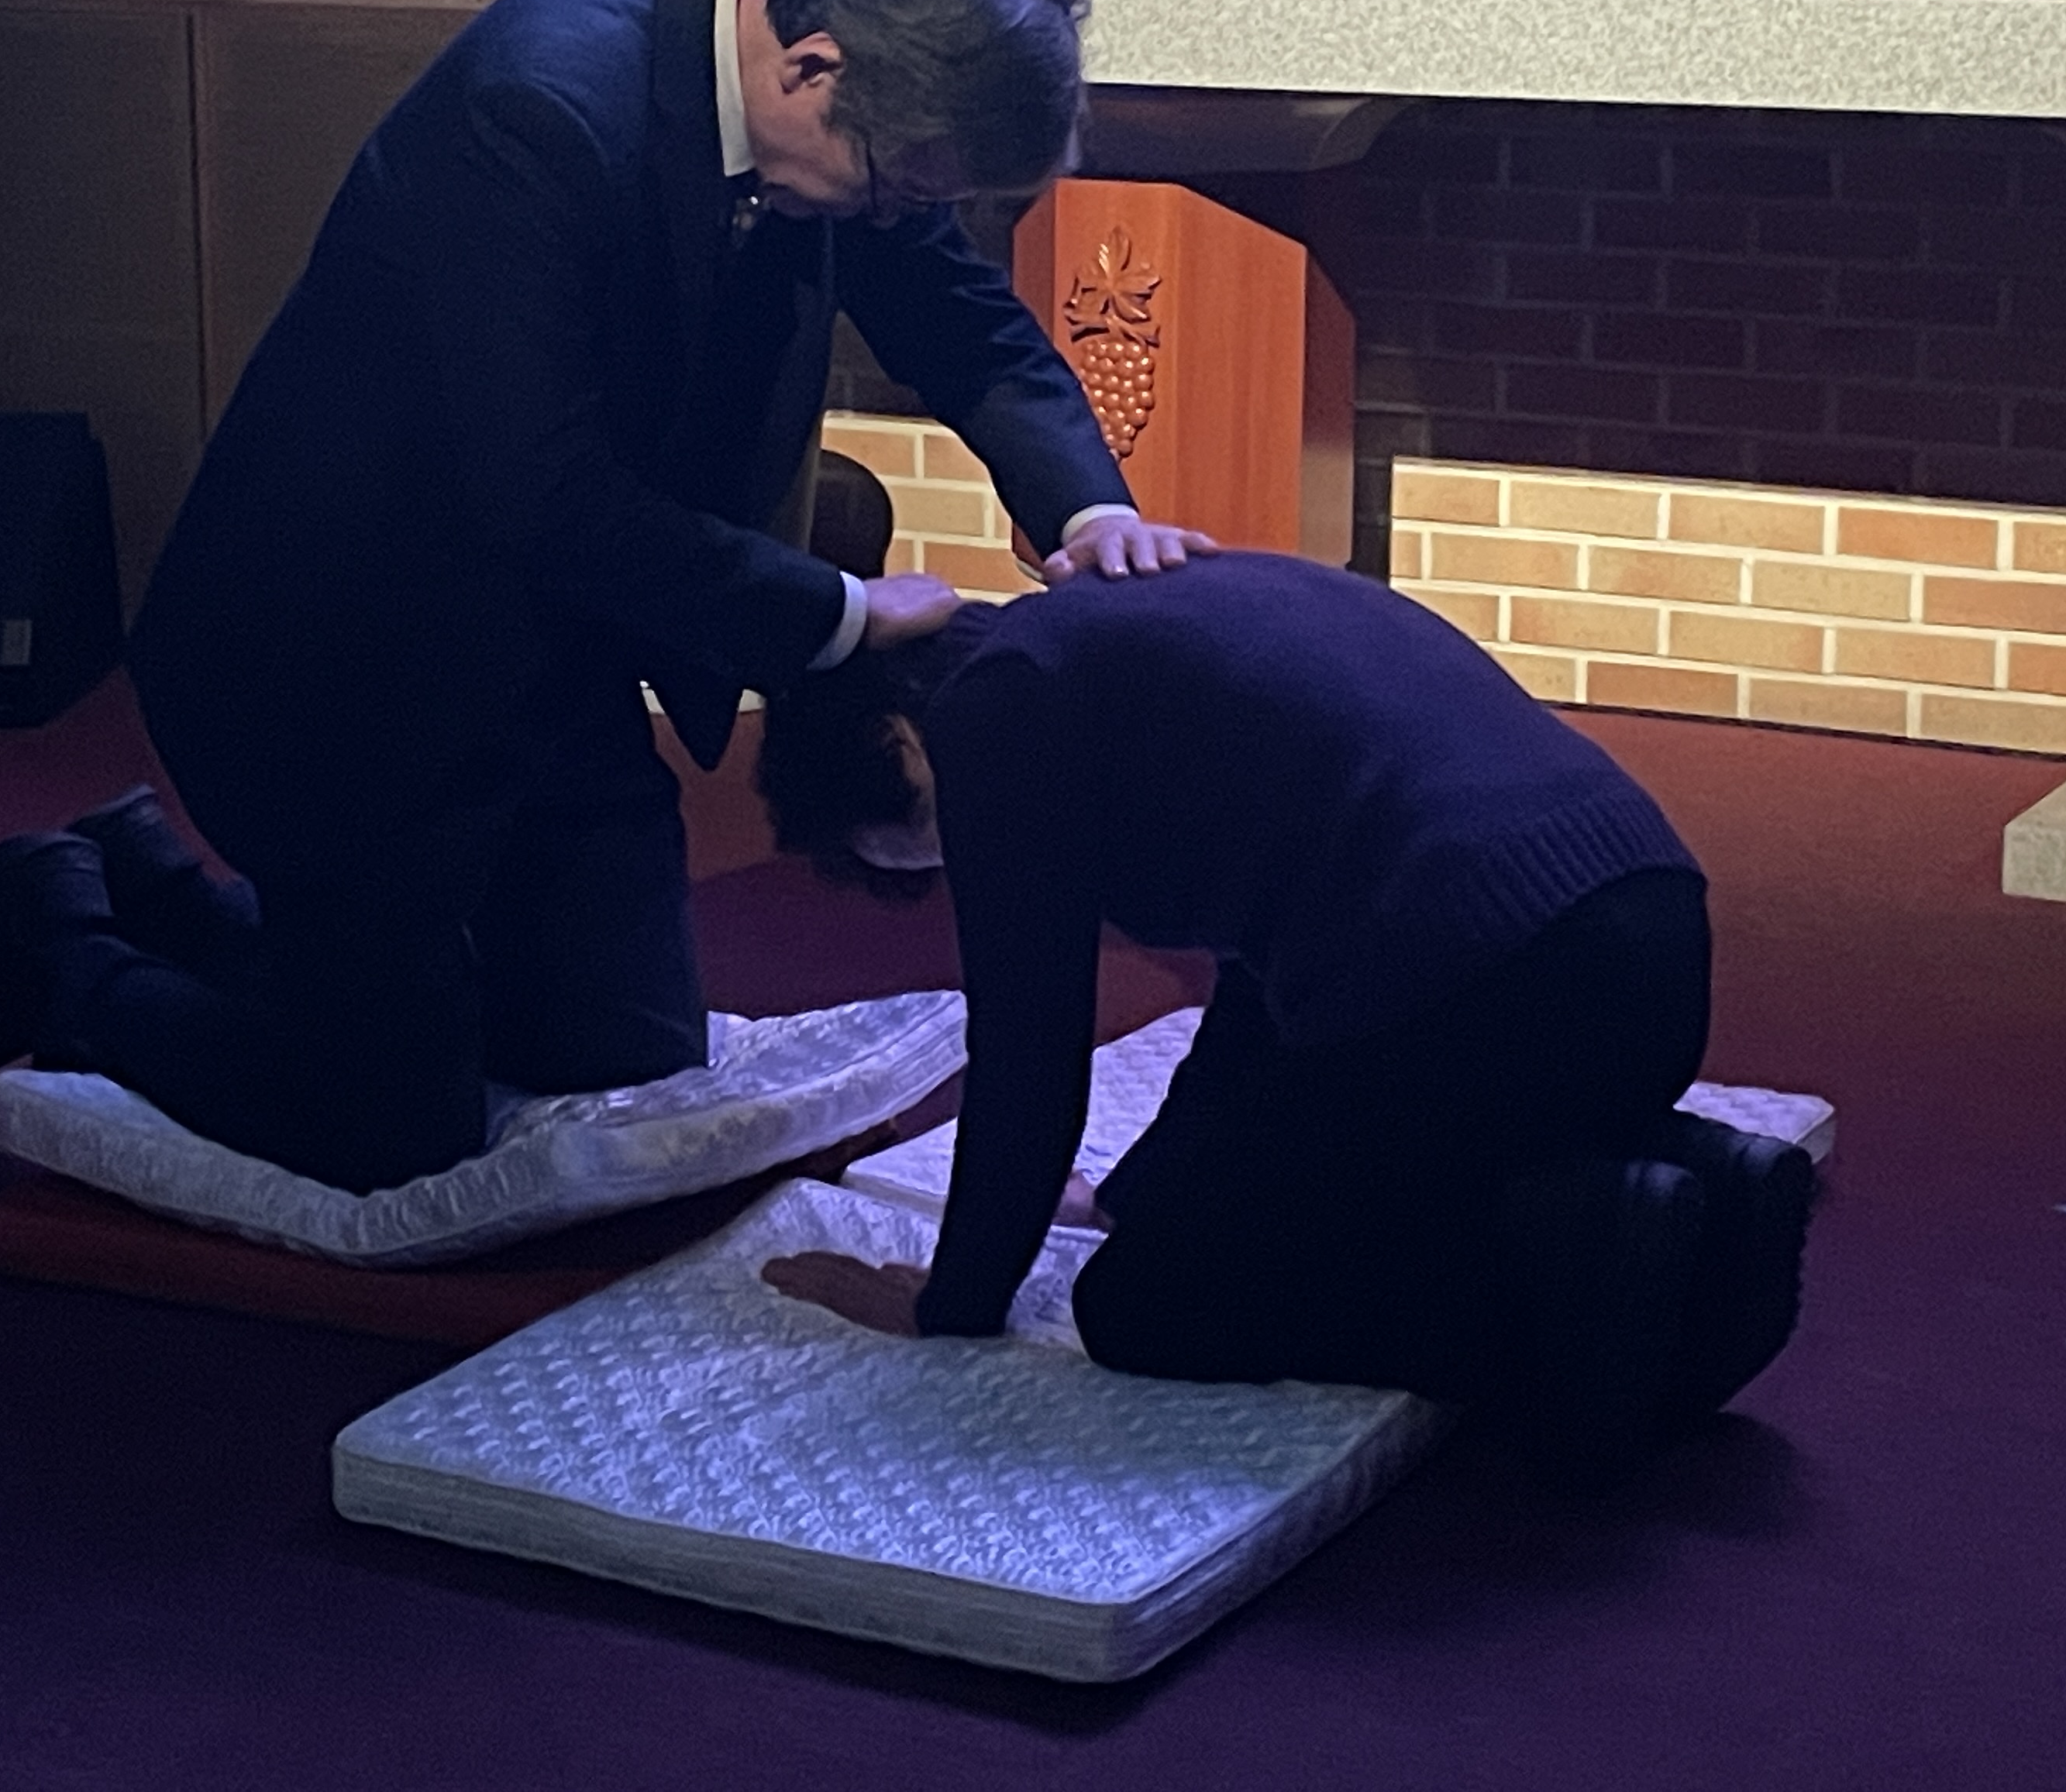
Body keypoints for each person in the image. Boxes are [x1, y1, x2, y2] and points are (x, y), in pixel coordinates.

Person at [0, 0, 1211, 1191]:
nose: (898, 220)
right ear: (811, 68)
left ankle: (164, 893)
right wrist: (839, 613)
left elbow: (961, 321)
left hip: (548, 635)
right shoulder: (545, 104)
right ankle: (57, 940)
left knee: (622, 1057)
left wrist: (1091, 513)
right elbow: (543, 492)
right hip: (336, 653)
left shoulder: (847, 95)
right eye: (899, 190)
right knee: (392, 1126)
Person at [752, 552, 1815, 1470]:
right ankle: (1702, 1175)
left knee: (1147, 1304)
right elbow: (1262, 982)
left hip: (1492, 991)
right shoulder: (1131, 616)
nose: (964, 864)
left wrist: (953, 1305)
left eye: (931, 838)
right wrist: (1144, 1191)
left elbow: (1031, 1051)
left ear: (895, 738)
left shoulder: (993, 715)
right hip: (1644, 953)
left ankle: (1591, 1250)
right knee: (1222, 1210)